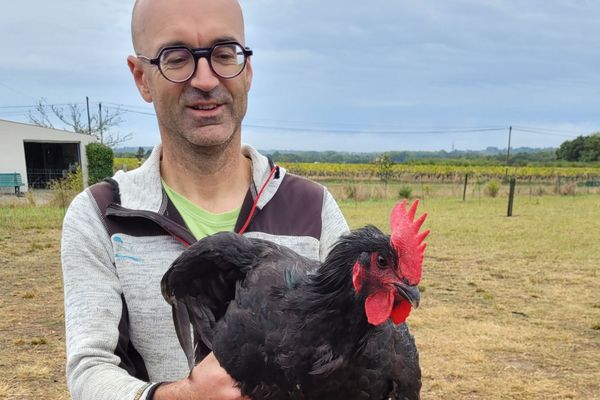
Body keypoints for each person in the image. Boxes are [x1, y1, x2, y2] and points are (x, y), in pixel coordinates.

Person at [60, 0, 349, 399]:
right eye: (176, 58)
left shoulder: (312, 209)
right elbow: (89, 370)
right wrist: (179, 396)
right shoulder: (100, 216)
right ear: (141, 77)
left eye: (223, 53)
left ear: (247, 69)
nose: (206, 79)